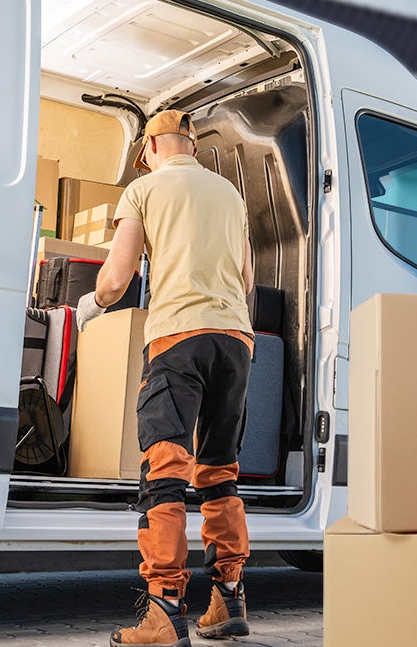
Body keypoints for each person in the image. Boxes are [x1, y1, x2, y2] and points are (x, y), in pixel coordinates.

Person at [77, 110, 255, 647]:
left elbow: (116, 277)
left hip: (178, 338)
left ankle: (165, 610)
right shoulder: (230, 195)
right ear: (193, 147)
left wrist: (91, 305)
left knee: (164, 473)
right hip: (236, 340)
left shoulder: (143, 190)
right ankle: (228, 600)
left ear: (151, 148)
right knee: (220, 471)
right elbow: (248, 280)